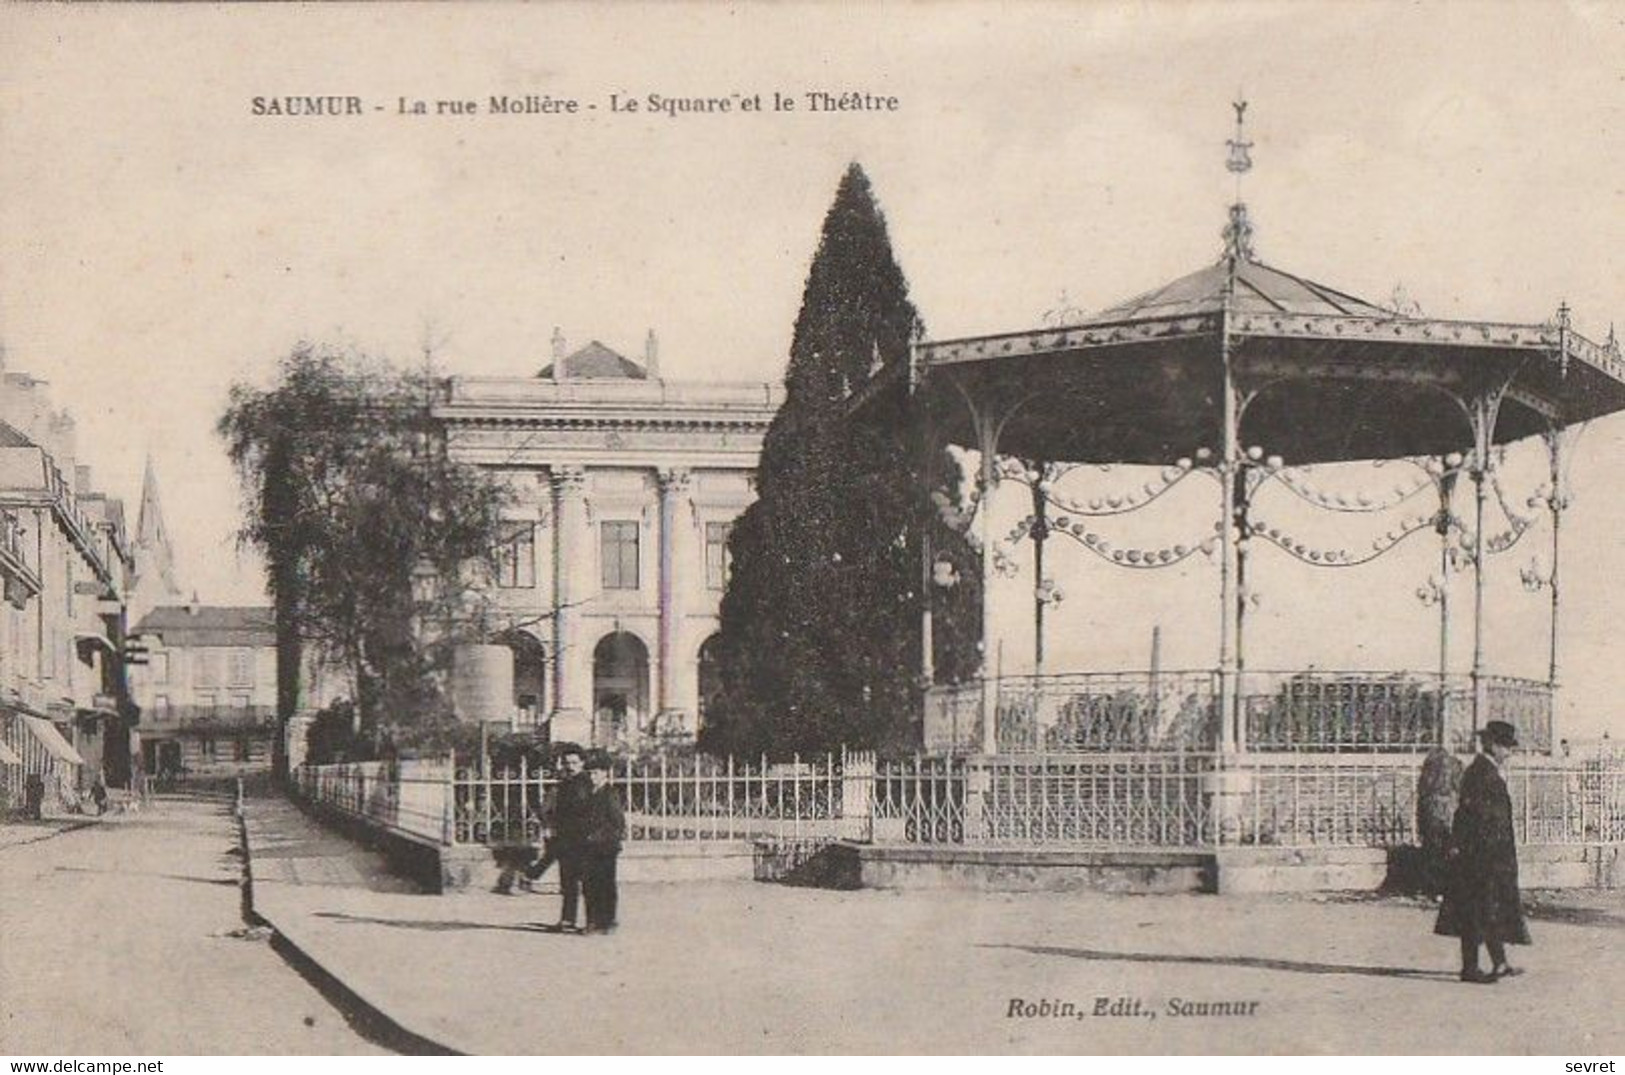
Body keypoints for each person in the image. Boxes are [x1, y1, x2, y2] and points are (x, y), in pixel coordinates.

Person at [1434, 720, 1531, 984]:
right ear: (1492, 745)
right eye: (1505, 746)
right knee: (1477, 909)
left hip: (1487, 855)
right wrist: (1489, 855)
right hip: (1482, 856)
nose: (1508, 752)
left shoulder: (1486, 771)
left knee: (1486, 908)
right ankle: (1470, 969)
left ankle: (1499, 962)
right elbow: (1475, 817)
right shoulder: (1481, 773)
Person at [578, 751, 626, 935]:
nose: (592, 777)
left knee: (605, 884)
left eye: (596, 773)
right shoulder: (588, 794)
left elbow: (618, 822)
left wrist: (601, 836)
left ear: (605, 773)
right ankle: (592, 921)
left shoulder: (610, 793)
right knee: (589, 885)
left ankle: (608, 921)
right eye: (590, 773)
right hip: (588, 846)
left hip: (606, 847)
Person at [1416, 746, 1463, 897]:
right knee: (1448, 850)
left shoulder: (1429, 770)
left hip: (1432, 810)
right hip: (1450, 808)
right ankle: (1447, 887)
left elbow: (1422, 791)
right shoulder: (1456, 765)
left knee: (1432, 850)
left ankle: (1433, 887)